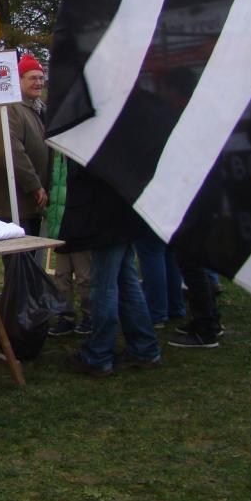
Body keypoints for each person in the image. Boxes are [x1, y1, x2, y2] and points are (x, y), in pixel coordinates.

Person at [61, 161, 161, 377]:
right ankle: (144, 347)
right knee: (126, 282)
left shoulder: (101, 139)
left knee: (104, 287)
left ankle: (98, 355)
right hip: (123, 210)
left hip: (107, 215)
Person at [0, 53, 50, 236]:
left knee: (34, 254)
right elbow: (11, 152)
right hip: (15, 200)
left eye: (40, 78)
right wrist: (34, 185)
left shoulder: (38, 108)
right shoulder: (8, 109)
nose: (38, 83)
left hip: (35, 201)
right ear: (19, 80)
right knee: (20, 258)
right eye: (32, 78)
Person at [46, 151, 92, 336]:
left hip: (81, 224)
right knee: (61, 275)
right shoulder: (56, 157)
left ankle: (90, 316)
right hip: (60, 225)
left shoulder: (82, 158)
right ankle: (65, 316)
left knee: (84, 276)